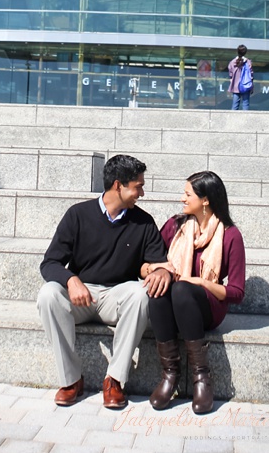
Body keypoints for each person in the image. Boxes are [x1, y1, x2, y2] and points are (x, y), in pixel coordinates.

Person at [37, 154, 170, 409]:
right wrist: (71, 279)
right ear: (118, 185)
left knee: (140, 294)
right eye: (138, 186)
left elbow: (157, 264)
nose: (141, 193)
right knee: (48, 294)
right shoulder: (77, 215)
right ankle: (71, 380)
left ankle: (115, 380)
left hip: (116, 298)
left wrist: (161, 272)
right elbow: (50, 263)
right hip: (81, 296)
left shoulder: (143, 222)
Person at [142, 171, 245, 414]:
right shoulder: (174, 226)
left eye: (188, 194)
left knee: (182, 289)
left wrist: (200, 282)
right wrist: (155, 270)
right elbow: (150, 262)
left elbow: (237, 292)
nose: (182, 199)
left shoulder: (230, 235)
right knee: (161, 289)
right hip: (174, 304)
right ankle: (170, 373)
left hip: (208, 307)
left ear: (205, 200)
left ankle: (202, 377)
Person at [226, 45, 253, 110]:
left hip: (236, 86)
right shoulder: (248, 62)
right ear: (245, 52)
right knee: (245, 104)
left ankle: (233, 119)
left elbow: (230, 75)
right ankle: (245, 119)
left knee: (235, 105)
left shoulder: (232, 62)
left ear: (237, 52)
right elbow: (251, 75)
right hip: (246, 85)